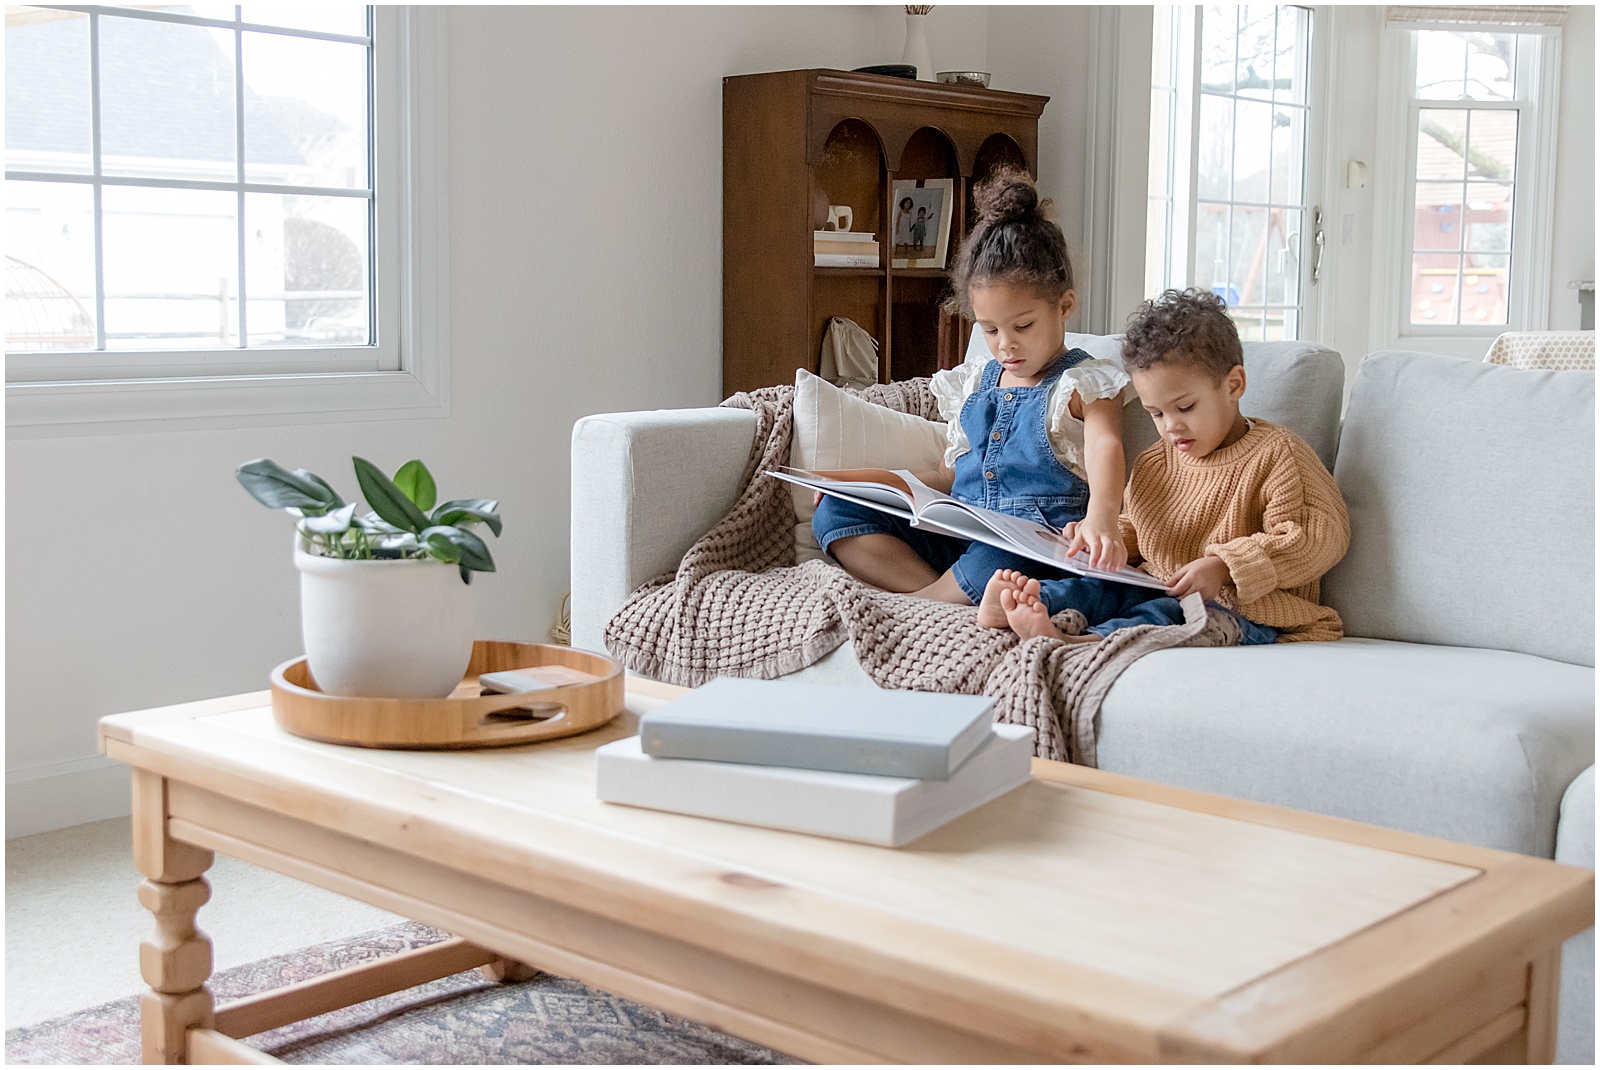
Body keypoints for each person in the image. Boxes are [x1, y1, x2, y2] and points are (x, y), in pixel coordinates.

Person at [811, 169, 1132, 628]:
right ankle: (935, 595)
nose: (1006, 345)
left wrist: (1102, 517)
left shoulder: (1084, 382)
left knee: (994, 562)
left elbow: (1106, 447)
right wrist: (862, 484)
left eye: (1023, 326)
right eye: (990, 329)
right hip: (961, 535)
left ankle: (928, 605)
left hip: (1032, 546)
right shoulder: (975, 382)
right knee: (835, 515)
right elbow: (948, 476)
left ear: (1064, 306)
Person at [996, 288, 1351, 645]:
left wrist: (1224, 567)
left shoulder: (1279, 455)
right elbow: (1140, 527)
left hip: (1245, 609)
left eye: (1184, 408)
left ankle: (1086, 640)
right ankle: (1028, 605)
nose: (1170, 426)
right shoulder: (1155, 462)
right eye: (1156, 414)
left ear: (1234, 384)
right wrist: (1105, 541)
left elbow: (1314, 538)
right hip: (1156, 585)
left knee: (1173, 614)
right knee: (1097, 588)